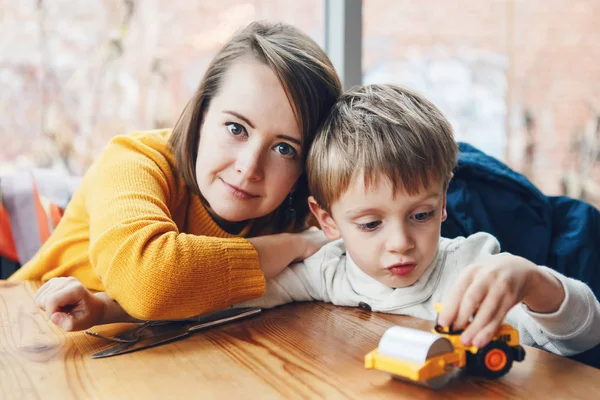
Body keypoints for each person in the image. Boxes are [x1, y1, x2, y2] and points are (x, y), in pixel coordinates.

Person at [35, 84, 600, 357]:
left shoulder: (477, 265)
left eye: (422, 215)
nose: (401, 244)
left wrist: (534, 281)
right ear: (326, 221)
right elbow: (230, 298)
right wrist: (106, 307)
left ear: (444, 205)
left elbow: (583, 335)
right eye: (370, 224)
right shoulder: (328, 269)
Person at [11, 21, 343, 321]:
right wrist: (293, 246)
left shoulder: (301, 207)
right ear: (200, 115)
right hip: (28, 332)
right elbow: (148, 283)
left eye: (284, 148)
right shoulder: (132, 160)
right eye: (236, 128)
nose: (249, 168)